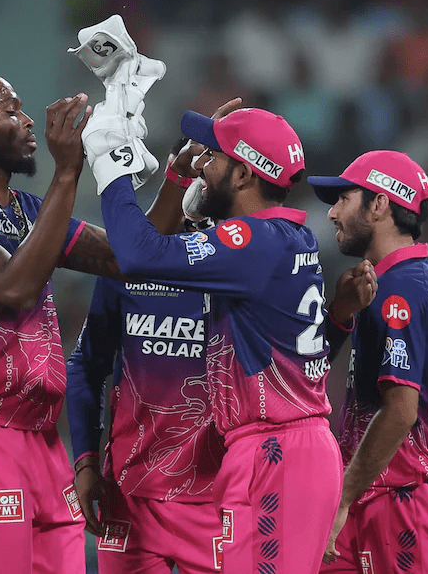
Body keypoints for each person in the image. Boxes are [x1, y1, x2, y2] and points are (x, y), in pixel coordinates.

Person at [0, 72, 197, 574]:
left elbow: (131, 259)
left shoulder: (28, 211)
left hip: (42, 438)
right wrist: (67, 172)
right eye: (10, 110)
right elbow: (14, 286)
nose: (27, 121)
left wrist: (178, 172)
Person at [90, 106, 376, 573]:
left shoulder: (253, 240)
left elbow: (140, 256)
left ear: (243, 173)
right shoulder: (284, 237)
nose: (201, 165)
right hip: (272, 448)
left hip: (278, 451)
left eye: (213, 156)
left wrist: (111, 167)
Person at [67, 137, 226, 573]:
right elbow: (87, 365)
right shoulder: (127, 265)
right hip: (129, 495)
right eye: (190, 168)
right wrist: (86, 460)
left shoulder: (237, 265)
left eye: (209, 166)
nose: (199, 179)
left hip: (217, 496)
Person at [308, 150, 428, 573]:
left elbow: (400, 412)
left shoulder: (398, 291)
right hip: (377, 486)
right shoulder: (417, 274)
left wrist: (343, 498)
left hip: (398, 495)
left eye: (344, 199)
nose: (333, 213)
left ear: (379, 204)